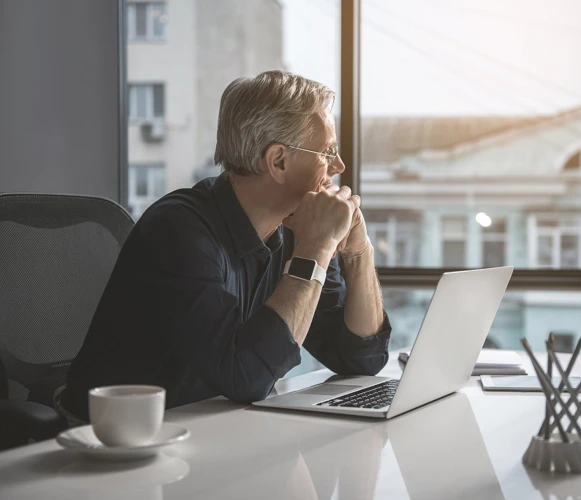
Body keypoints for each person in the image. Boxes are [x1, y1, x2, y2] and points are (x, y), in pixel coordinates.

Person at [59, 71, 391, 423]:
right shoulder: (178, 230)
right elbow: (246, 377)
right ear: (278, 161)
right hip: (116, 445)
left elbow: (361, 359)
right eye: (327, 152)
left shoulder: (299, 230)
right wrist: (318, 249)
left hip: (215, 432)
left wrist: (358, 252)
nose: (338, 166)